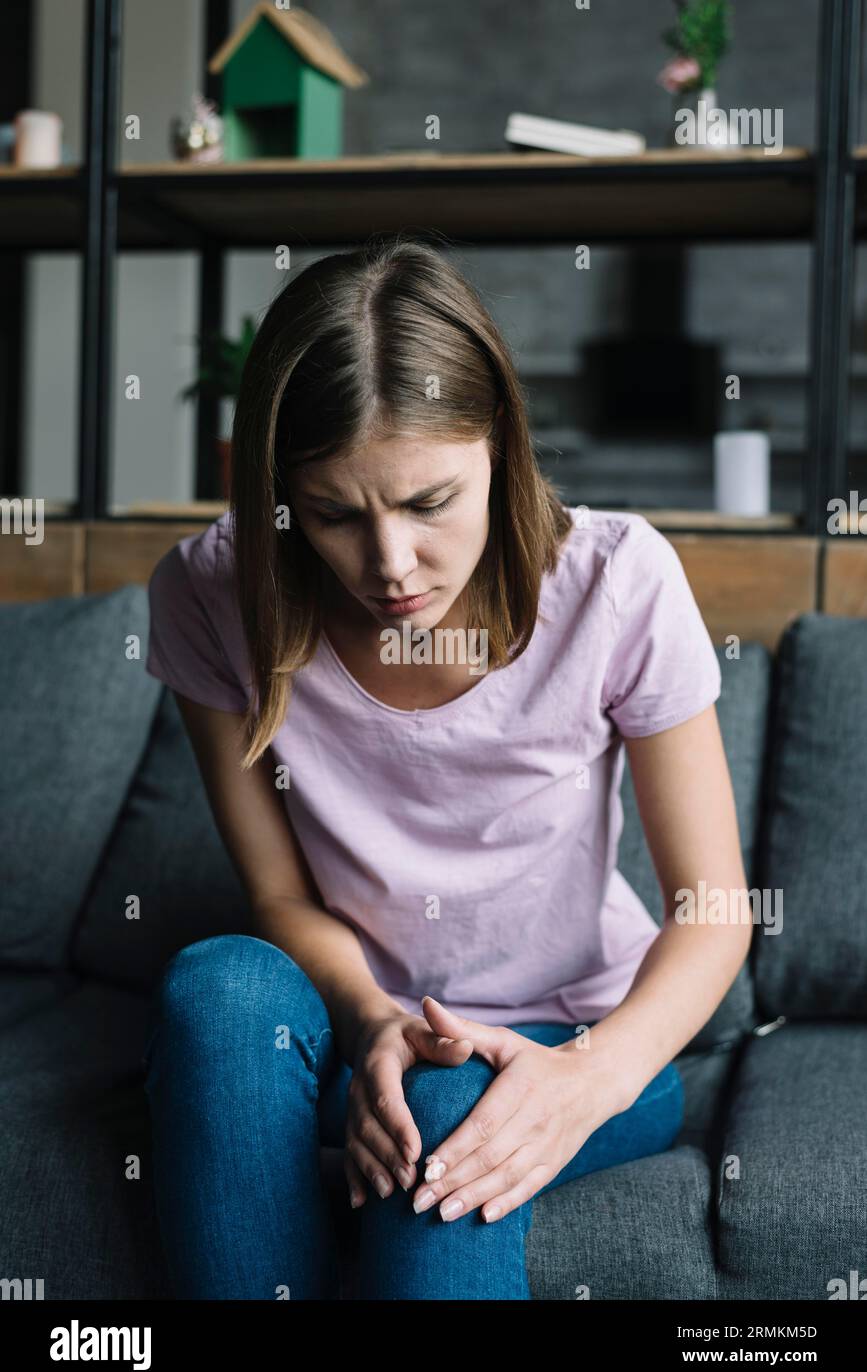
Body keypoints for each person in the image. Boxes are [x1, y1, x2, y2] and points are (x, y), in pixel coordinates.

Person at [142, 232, 752, 1300]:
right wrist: (374, 1018)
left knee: (451, 1101)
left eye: (429, 504)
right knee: (217, 986)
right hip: (350, 1023)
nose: (389, 566)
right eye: (334, 513)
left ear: (504, 445)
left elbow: (713, 909)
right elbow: (279, 893)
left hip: (577, 1030)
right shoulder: (213, 590)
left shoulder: (618, 580)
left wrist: (585, 1077)